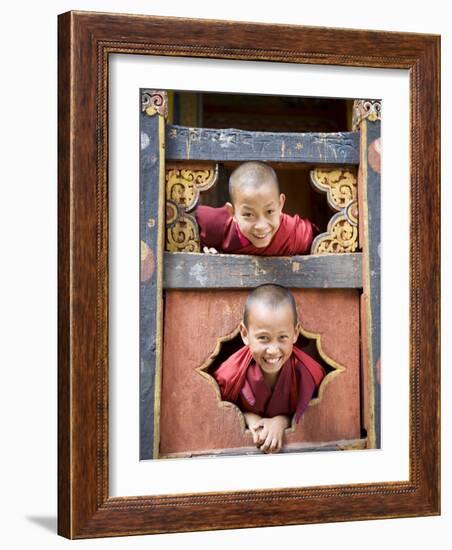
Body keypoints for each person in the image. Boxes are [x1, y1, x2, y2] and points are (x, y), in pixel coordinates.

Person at [212, 284, 325, 453]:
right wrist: (248, 418)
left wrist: (281, 421)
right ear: (244, 333)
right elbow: (217, 407)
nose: (273, 350)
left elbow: (313, 413)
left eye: (282, 337)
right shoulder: (230, 373)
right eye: (263, 338)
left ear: (295, 333)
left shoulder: (308, 372)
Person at [195, 161, 317, 255]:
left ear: (280, 204)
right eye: (248, 215)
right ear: (232, 212)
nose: (261, 226)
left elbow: (321, 243)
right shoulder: (214, 224)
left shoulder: (294, 234)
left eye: (269, 211)